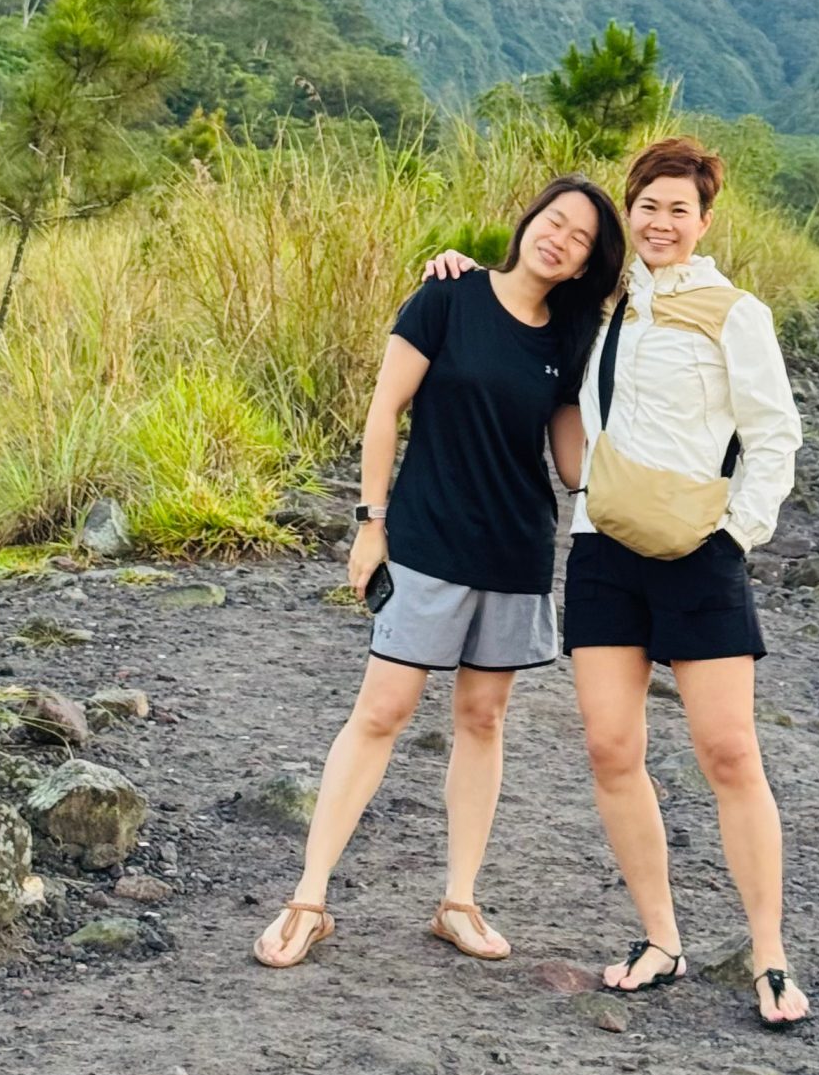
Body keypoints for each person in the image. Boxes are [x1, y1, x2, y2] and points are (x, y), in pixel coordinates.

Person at [428, 136, 809, 1027]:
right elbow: (510, 296)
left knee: (728, 751)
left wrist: (737, 535)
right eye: (647, 205)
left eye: (680, 209)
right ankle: (660, 938)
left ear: (704, 221)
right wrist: (452, 267)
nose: (661, 221)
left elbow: (775, 435)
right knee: (610, 747)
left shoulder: (733, 311)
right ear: (628, 213)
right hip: (602, 547)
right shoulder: (598, 313)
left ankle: (771, 956)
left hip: (701, 553)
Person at [253, 174, 625, 971]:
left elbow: (571, 464)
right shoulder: (446, 296)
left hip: (515, 550)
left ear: (586, 264)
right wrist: (369, 524)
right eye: (553, 222)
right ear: (529, 222)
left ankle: (458, 900)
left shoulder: (570, 339)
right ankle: (309, 898)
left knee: (483, 718)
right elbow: (384, 411)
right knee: (382, 711)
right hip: (425, 538)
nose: (558, 239)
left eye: (580, 239)